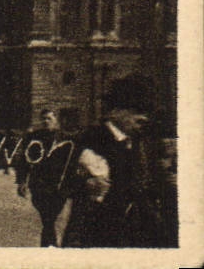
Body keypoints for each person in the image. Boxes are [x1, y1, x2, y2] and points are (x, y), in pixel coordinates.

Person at [62, 75, 167, 248]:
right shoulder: (91, 139)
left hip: (136, 230)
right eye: (136, 110)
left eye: (147, 112)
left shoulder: (139, 141)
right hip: (97, 231)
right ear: (115, 111)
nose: (143, 118)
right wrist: (84, 183)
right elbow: (62, 179)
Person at [14, 108, 71, 247]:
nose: (46, 122)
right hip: (39, 184)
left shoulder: (65, 138)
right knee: (47, 216)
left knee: (49, 217)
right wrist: (22, 182)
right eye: (43, 119)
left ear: (56, 121)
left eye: (49, 119)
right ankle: (50, 245)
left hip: (59, 185)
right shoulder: (33, 138)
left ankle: (48, 244)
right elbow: (24, 160)